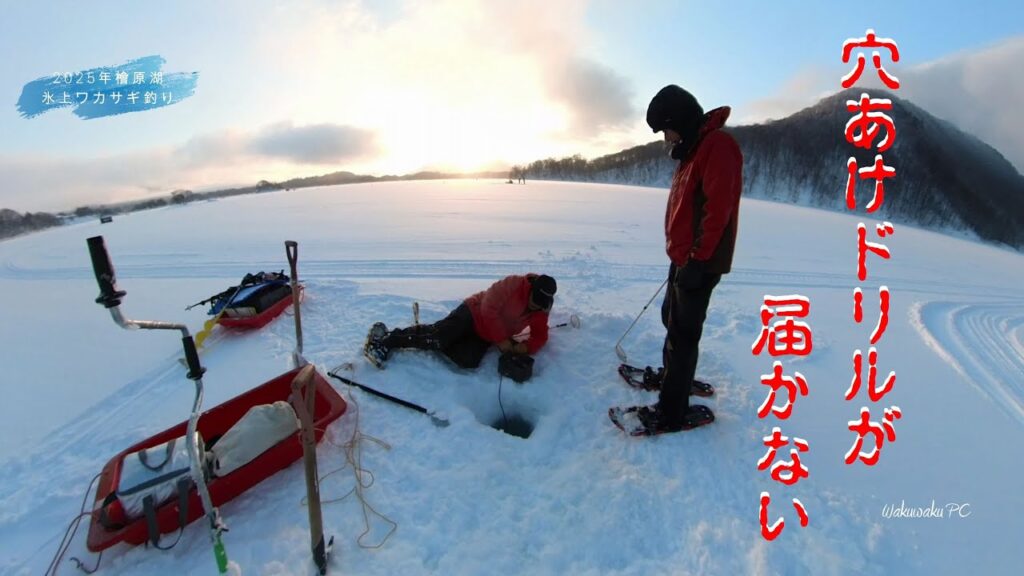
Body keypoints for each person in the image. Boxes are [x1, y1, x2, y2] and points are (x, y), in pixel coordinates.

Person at [633, 84, 743, 433]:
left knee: (683, 335)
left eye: (666, 128)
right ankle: (673, 378)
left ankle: (671, 410)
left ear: (678, 119)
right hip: (685, 257)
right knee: (672, 318)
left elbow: (718, 209)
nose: (666, 138)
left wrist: (697, 259)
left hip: (700, 261)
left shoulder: (717, 147)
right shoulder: (692, 150)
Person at [364, 274, 556, 373]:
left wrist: (525, 348)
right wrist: (501, 340)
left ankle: (442, 338)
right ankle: (386, 340)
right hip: (473, 312)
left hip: (485, 336)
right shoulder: (514, 284)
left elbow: (540, 335)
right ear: (531, 288)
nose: (534, 306)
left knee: (468, 362)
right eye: (534, 300)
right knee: (439, 337)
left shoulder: (541, 308)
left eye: (539, 306)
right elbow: (488, 308)